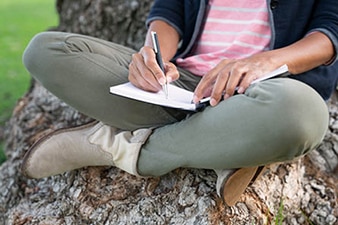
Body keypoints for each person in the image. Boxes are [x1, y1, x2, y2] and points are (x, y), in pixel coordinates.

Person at [21, 0, 337, 206]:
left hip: (267, 90)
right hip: (184, 86)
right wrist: (154, 58)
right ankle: (225, 145)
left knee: (303, 116)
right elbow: (168, 13)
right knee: (46, 50)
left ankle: (121, 148)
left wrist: (263, 63)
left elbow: (331, 30)